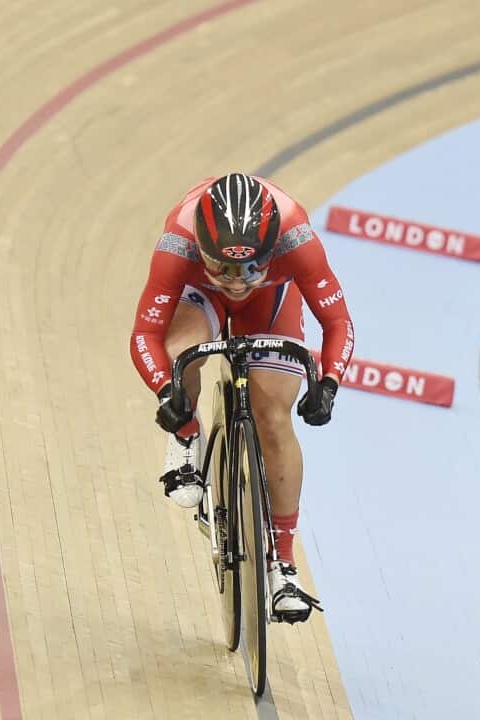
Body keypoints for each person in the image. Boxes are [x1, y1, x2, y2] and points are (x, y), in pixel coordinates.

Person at [129, 172, 354, 623]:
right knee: (181, 356)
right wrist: (166, 393)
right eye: (224, 268)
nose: (236, 281)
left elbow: (338, 323)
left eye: (251, 267)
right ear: (201, 250)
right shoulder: (178, 242)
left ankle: (283, 566)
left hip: (270, 303)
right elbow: (145, 335)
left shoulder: (297, 239)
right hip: (200, 297)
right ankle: (186, 442)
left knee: (273, 416)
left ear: (273, 250)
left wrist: (327, 384)